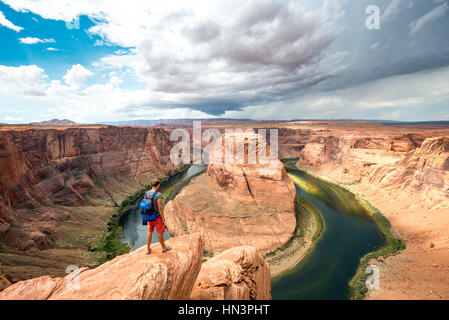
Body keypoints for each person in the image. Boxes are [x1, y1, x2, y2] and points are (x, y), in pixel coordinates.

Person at [145, 178, 171, 254]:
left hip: (149, 217)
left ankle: (148, 249)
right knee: (160, 233)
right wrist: (163, 217)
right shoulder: (158, 195)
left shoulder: (146, 193)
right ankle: (164, 248)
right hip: (157, 218)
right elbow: (159, 207)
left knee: (149, 232)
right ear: (158, 185)